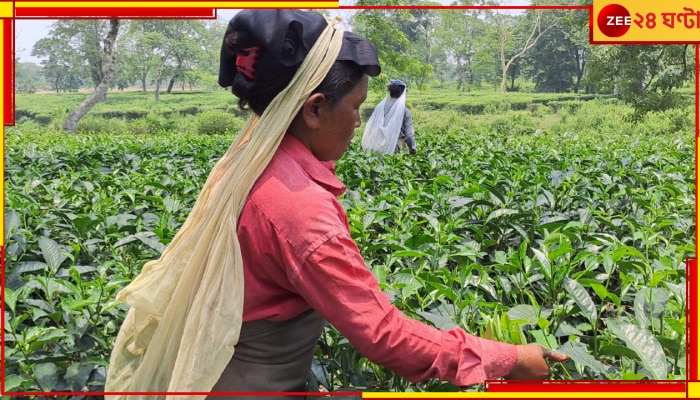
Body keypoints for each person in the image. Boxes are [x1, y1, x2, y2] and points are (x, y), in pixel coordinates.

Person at [104, 9, 568, 399]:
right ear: (314, 108)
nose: (358, 122)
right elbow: (384, 335)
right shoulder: (297, 209)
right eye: (356, 107)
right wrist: (507, 358)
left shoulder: (246, 159)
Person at [361, 79, 417, 155]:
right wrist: (412, 149)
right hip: (396, 148)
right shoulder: (405, 111)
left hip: (377, 147)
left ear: (390, 93)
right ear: (402, 94)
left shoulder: (380, 108)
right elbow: (409, 135)